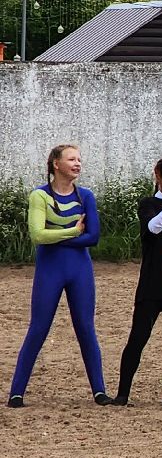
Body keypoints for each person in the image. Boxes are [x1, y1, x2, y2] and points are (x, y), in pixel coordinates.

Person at [8, 144, 106, 408]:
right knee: (38, 328)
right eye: (71, 159)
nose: (77, 164)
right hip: (50, 269)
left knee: (85, 327)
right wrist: (73, 232)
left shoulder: (86, 196)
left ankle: (99, 390)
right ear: (55, 164)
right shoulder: (40, 196)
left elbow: (93, 237)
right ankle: (16, 392)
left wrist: (58, 238)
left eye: (79, 159)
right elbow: (37, 235)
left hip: (79, 268)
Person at [111, 156, 162, 406]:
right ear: (157, 175)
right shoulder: (148, 204)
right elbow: (153, 229)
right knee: (138, 336)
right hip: (153, 281)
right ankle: (123, 393)